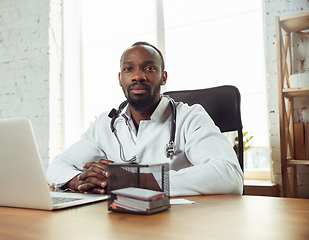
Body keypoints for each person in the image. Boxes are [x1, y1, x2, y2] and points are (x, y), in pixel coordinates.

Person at [46, 41, 243, 196]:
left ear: (163, 77)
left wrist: (133, 180)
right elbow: (57, 165)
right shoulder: (107, 122)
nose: (137, 76)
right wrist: (79, 180)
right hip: (119, 219)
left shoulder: (190, 117)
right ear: (120, 78)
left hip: (178, 223)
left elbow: (229, 175)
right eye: (129, 69)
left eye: (148, 68)